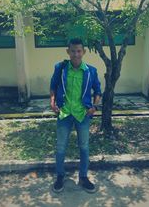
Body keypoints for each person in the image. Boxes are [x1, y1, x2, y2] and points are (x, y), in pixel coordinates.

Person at [50, 38, 102, 193]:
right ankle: (60, 176)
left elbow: (98, 91)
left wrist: (94, 106)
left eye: (79, 51)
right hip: (64, 113)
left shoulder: (91, 71)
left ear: (83, 52)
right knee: (60, 148)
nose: (76, 54)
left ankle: (83, 177)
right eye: (73, 51)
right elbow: (53, 87)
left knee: (84, 147)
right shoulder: (60, 68)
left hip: (82, 114)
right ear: (68, 51)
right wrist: (52, 102)